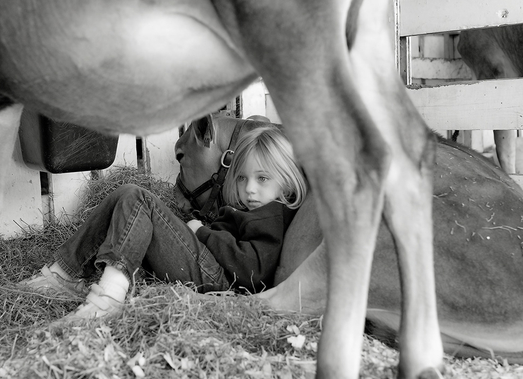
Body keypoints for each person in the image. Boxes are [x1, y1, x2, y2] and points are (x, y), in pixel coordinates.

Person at [21, 125, 308, 320]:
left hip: (218, 281)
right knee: (126, 194)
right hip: (205, 265)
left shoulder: (272, 213)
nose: (249, 189)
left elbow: (250, 270)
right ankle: (62, 273)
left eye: (263, 179)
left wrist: (204, 234)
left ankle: (107, 297)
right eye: (243, 177)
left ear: (286, 184)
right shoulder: (253, 207)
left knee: (137, 198)